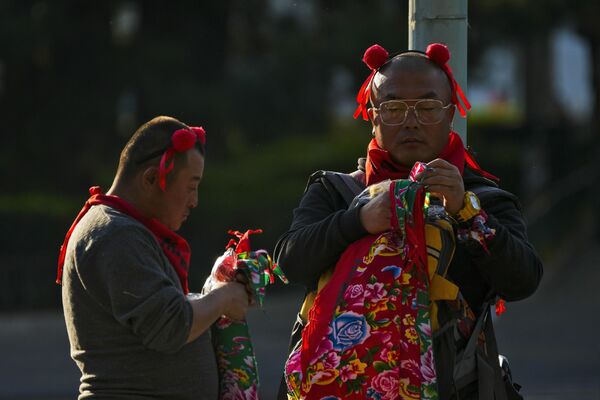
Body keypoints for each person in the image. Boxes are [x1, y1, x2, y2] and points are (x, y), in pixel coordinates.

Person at [275, 44, 543, 399]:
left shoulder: (482, 199)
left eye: (428, 108)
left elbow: (523, 281)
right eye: (394, 107)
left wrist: (466, 212)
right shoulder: (337, 192)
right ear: (372, 115)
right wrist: (357, 221)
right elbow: (289, 263)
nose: (411, 121)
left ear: (451, 115)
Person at [56, 116, 251, 399]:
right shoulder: (116, 235)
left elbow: (162, 313)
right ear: (150, 178)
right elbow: (171, 326)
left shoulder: (120, 229)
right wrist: (224, 298)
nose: (195, 201)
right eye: (191, 186)